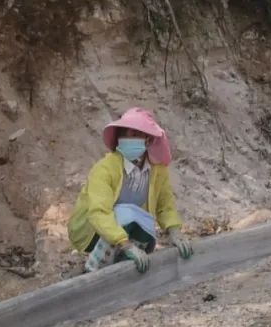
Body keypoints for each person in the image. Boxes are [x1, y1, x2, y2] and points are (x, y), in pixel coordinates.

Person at [67, 108, 193, 273]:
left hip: (127, 229)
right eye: (125, 135)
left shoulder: (157, 171)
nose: (128, 139)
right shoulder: (104, 168)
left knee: (146, 224)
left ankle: (127, 272)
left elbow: (165, 205)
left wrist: (175, 232)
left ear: (147, 140)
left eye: (135, 135)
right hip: (92, 232)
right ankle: (93, 270)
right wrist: (125, 244)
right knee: (127, 213)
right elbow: (99, 212)